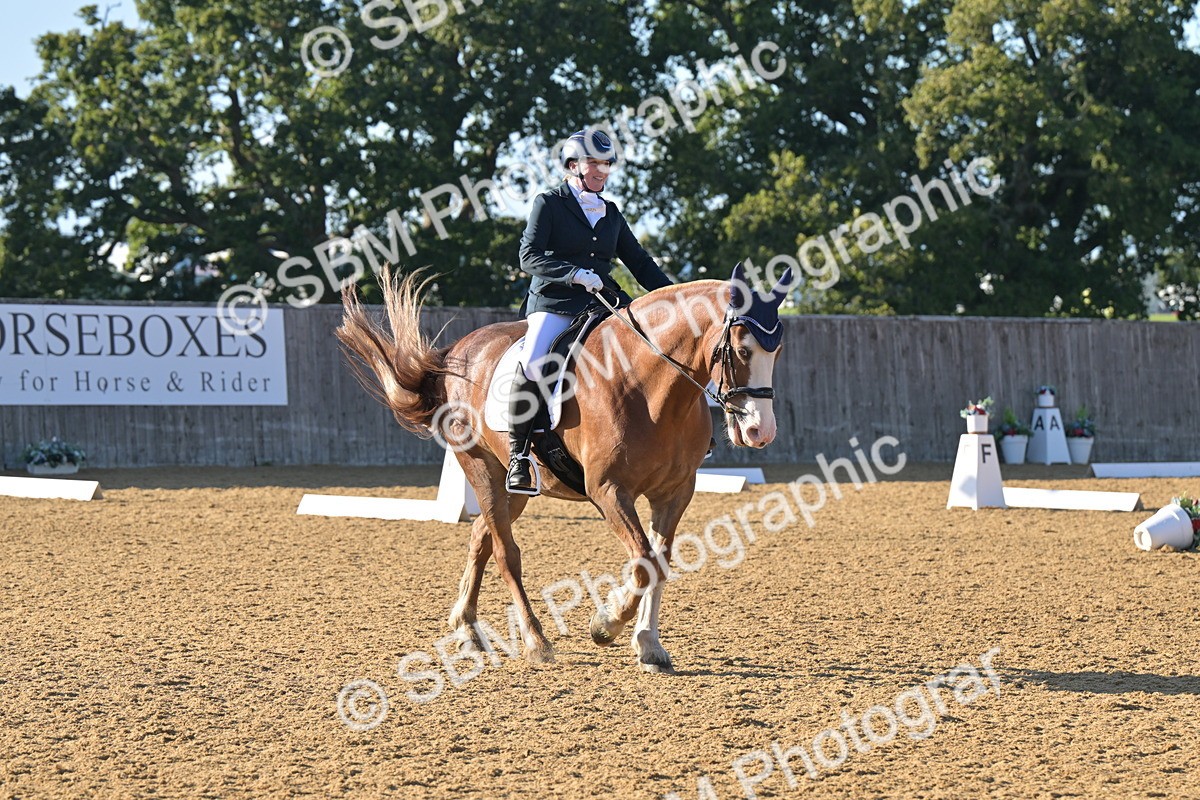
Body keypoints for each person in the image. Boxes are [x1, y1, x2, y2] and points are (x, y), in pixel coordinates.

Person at [507, 128, 674, 494]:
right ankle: (518, 456)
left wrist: (676, 298)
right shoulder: (548, 203)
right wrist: (573, 274)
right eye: (594, 163)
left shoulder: (610, 213)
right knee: (534, 360)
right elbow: (528, 257)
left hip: (602, 302)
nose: (602, 170)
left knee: (652, 350)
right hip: (554, 301)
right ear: (573, 165)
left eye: (606, 164)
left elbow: (641, 264)